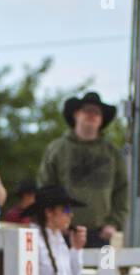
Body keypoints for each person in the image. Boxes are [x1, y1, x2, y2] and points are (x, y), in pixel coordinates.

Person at [37, 91, 127, 251]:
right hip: (63, 232)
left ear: (102, 119)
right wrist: (56, 220)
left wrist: (114, 223)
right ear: (76, 114)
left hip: (103, 234)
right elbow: (46, 187)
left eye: (97, 113)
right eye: (87, 111)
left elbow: (123, 190)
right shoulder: (57, 149)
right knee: (63, 274)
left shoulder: (113, 152)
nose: (92, 115)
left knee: (105, 271)